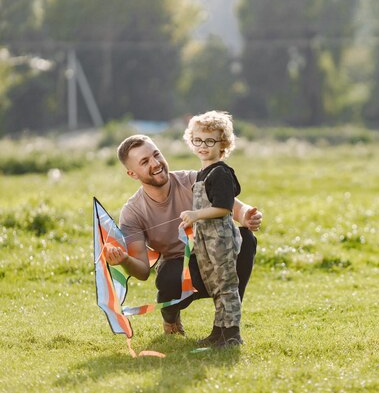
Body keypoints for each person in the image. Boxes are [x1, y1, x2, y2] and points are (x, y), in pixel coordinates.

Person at [102, 133, 262, 347]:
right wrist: (122, 259)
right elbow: (141, 271)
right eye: (145, 161)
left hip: (215, 256)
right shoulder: (132, 212)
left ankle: (226, 327)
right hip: (180, 268)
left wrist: (247, 215)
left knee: (245, 239)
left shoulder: (193, 179)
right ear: (132, 173)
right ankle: (170, 317)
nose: (156, 163)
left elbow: (233, 207)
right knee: (167, 278)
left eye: (156, 155)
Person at [179, 111, 244, 347]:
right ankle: (218, 332)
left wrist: (195, 215)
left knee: (226, 286)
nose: (203, 146)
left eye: (210, 141)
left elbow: (224, 208)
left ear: (223, 144)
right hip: (205, 240)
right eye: (197, 140)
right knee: (215, 286)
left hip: (221, 239)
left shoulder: (220, 173)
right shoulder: (202, 173)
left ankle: (233, 334)